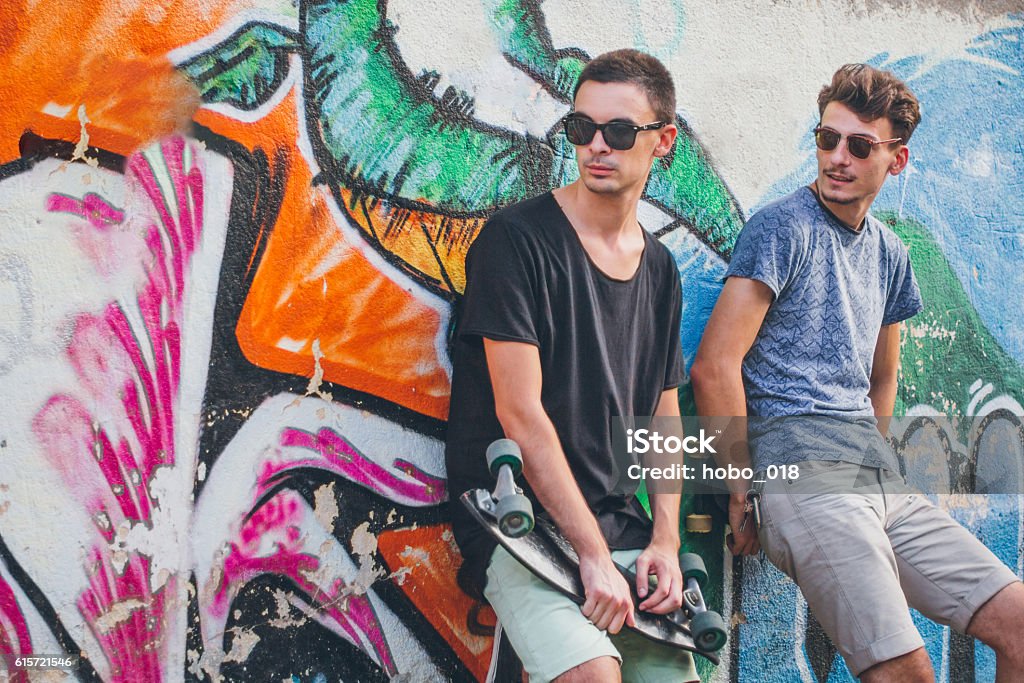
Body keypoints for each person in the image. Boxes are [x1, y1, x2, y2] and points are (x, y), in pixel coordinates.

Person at [691, 63, 1024, 682]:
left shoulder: (891, 253)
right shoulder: (781, 228)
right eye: (827, 139)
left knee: (1019, 623)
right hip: (806, 479)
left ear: (895, 160)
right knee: (907, 673)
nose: (838, 158)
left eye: (859, 145)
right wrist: (741, 489)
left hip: (876, 483)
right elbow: (714, 365)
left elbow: (881, 380)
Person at [446, 49, 699, 682]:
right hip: (517, 523)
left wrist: (667, 542)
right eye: (580, 129)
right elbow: (519, 413)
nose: (596, 147)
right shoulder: (515, 242)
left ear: (662, 141)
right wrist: (590, 554)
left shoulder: (661, 269)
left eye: (618, 132)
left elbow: (663, 416)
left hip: (620, 526)